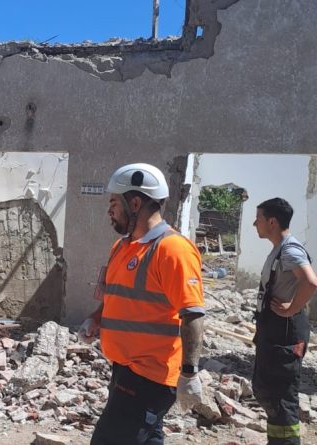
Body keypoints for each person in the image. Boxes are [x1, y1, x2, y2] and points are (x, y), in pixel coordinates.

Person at [79, 163, 205, 445]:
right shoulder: (122, 248)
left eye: (114, 202)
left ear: (135, 203)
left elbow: (193, 314)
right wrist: (96, 319)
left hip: (149, 375)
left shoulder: (172, 250)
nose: (109, 210)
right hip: (123, 368)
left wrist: (189, 373)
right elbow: (116, 298)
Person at [251, 198, 317, 445]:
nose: (254, 223)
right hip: (275, 332)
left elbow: (310, 281)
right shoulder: (280, 248)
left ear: (272, 222)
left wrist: (293, 308)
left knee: (280, 397)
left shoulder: (290, 250)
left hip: (285, 334)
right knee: (268, 390)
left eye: (258, 218)